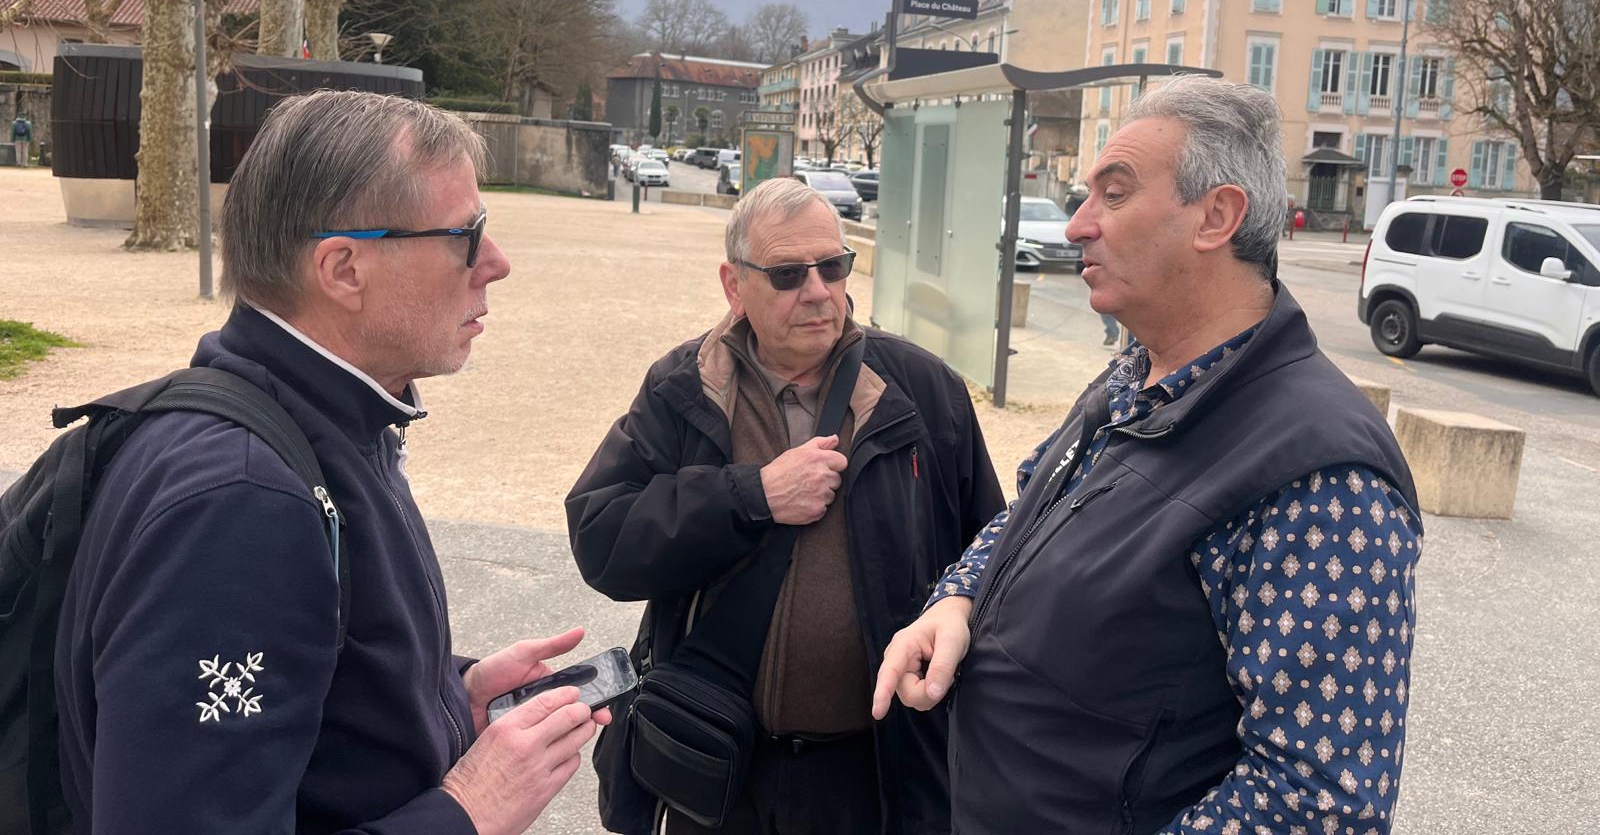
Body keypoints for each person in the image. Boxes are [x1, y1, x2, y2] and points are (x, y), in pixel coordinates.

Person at [873, 76, 1423, 835]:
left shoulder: (1319, 476)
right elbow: (1034, 512)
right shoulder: (1136, 375)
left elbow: (1316, 806)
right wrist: (960, 598)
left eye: (1115, 193)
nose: (1076, 226)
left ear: (1217, 216)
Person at [54, 91, 607, 835]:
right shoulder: (243, 505)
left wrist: (448, 694)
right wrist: (471, 809)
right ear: (344, 269)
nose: (497, 264)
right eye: (467, 235)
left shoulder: (325, 421)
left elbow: (304, 695)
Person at [568, 177, 1005, 835]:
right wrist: (751, 496)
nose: (819, 290)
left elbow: (988, 558)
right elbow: (602, 539)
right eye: (787, 273)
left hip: (875, 774)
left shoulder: (922, 391)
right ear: (733, 285)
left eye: (833, 266)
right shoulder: (683, 388)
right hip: (715, 763)